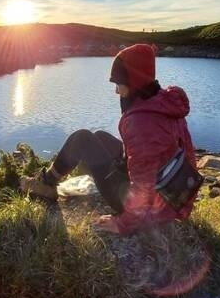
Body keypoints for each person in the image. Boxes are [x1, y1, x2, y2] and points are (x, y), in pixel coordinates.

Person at [20, 43, 198, 235]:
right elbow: (186, 154)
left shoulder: (140, 122)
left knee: (82, 139)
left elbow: (143, 183)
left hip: (153, 208)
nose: (116, 91)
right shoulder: (165, 103)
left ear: (134, 80)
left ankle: (46, 184)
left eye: (118, 83)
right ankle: (50, 181)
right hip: (173, 195)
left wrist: (123, 223)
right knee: (100, 137)